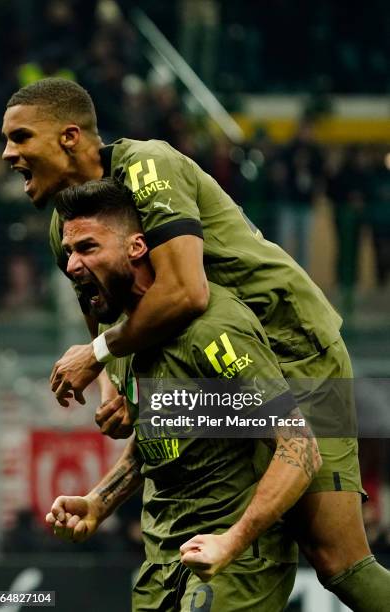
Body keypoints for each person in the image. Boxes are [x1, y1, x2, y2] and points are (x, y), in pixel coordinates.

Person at [2, 77, 390, 609]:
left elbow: (185, 291)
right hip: (214, 364)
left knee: (338, 563)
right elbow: (100, 306)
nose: (7, 152)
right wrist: (118, 390)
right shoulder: (64, 225)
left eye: (20, 137)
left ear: (69, 137)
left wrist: (97, 357)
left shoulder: (148, 166)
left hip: (293, 350)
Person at [46, 178, 321, 610]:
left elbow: (299, 448)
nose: (73, 265)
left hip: (235, 561)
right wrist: (99, 501)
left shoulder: (213, 328)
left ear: (136, 247)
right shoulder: (123, 336)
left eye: (87, 248)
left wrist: (230, 543)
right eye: (68, 253)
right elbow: (164, 433)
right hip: (161, 563)